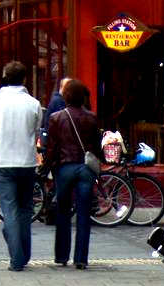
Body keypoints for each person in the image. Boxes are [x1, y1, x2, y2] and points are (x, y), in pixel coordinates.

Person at [0, 61, 42, 271]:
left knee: (9, 207)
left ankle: (16, 257)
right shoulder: (33, 103)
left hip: (2, 160)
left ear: (5, 78)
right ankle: (23, 254)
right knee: (26, 207)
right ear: (25, 79)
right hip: (26, 162)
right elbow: (36, 131)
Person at [42, 79, 101, 269]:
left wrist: (47, 167)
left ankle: (61, 256)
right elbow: (97, 146)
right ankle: (81, 258)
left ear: (66, 96)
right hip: (85, 168)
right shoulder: (92, 118)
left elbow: (51, 148)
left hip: (64, 167)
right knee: (84, 212)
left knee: (63, 210)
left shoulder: (56, 118)